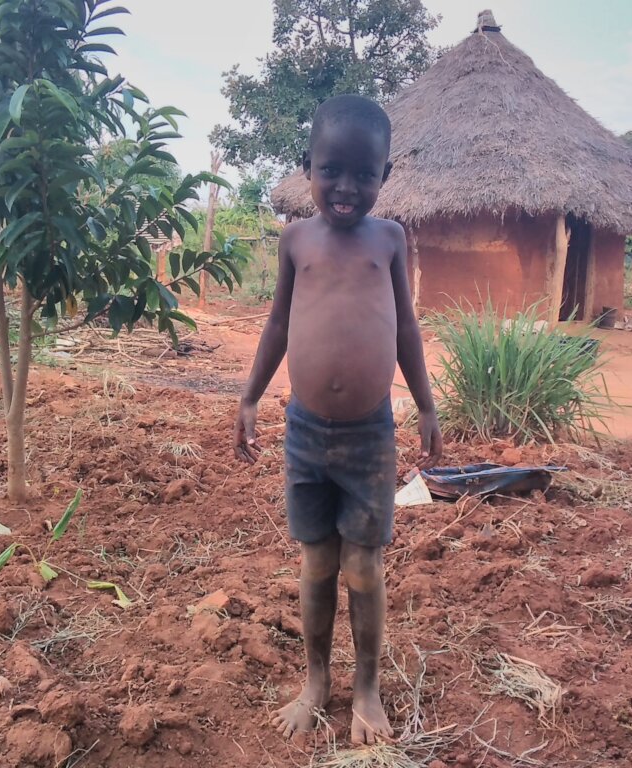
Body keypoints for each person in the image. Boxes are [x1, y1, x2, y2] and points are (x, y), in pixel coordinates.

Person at [233, 94, 443, 746]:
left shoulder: (390, 239)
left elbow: (405, 328)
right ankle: (316, 680)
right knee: (317, 562)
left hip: (370, 437)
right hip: (304, 434)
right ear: (307, 167)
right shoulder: (295, 241)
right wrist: (249, 397)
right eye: (331, 170)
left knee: (364, 566)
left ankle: (368, 689)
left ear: (386, 174)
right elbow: (276, 324)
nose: (346, 186)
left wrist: (426, 403)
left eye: (364, 173)